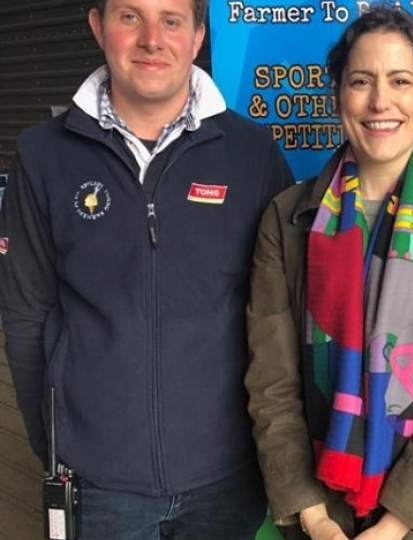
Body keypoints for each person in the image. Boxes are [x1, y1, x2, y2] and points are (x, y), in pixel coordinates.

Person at [0, 0, 294, 538]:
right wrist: (56, 443)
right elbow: (24, 316)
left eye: (172, 20)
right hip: (95, 482)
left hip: (228, 477)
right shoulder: (42, 157)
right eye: (130, 16)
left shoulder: (252, 154)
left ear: (198, 36)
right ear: (98, 27)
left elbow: (277, 315)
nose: (152, 39)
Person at [245, 5, 413, 540]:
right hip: (325, 512)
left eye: (400, 81)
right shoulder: (286, 218)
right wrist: (311, 514)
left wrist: (394, 526)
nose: (380, 102)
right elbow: (272, 382)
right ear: (338, 97)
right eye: (361, 82)